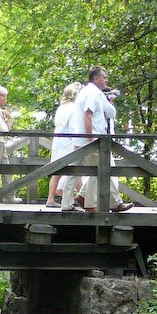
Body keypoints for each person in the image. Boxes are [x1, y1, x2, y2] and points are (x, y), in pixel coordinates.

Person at [62, 65, 133, 213]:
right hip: (90, 140)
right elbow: (88, 115)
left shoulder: (90, 92)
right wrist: (91, 138)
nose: (106, 80)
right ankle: (108, 203)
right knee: (104, 169)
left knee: (75, 172)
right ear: (95, 78)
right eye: (104, 77)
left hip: (79, 139)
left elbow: (110, 113)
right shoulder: (92, 93)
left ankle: (71, 203)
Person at [47, 82, 82, 208]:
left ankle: (51, 198)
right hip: (68, 142)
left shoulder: (62, 107)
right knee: (74, 170)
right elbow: (74, 127)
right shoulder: (73, 108)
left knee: (57, 171)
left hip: (58, 141)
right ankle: (85, 198)